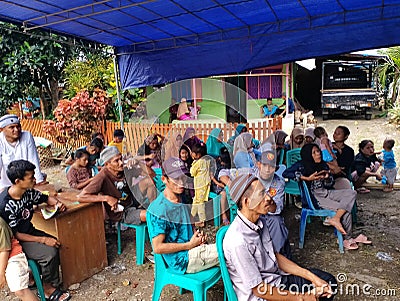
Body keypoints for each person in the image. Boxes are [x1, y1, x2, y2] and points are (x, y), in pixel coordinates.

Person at [223, 173, 337, 301]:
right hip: (263, 295)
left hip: (277, 280)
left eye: (265, 192)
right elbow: (259, 289)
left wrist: (311, 276)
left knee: (327, 283)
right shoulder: (238, 241)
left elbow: (274, 255)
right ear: (246, 202)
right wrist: (302, 297)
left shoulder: (260, 221)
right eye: (261, 194)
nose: (268, 197)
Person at [0, 160, 71, 301]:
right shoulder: (5, 204)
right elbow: (16, 234)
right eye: (31, 177)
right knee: (49, 253)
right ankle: (46, 288)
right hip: (17, 240)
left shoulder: (27, 192)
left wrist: (57, 203)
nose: (35, 179)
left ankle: (36, 278)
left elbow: (45, 198)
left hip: (30, 231)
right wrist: (43, 240)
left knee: (57, 242)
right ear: (18, 181)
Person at [283, 144, 372, 250]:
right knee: (344, 209)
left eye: (318, 151)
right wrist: (306, 178)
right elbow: (286, 173)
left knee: (351, 193)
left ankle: (336, 219)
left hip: (326, 192)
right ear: (308, 155)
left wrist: (327, 178)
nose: (318, 154)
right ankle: (346, 238)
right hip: (315, 198)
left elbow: (330, 184)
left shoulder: (323, 165)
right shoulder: (301, 165)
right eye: (314, 152)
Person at [147, 157, 219, 274]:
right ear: (164, 179)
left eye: (183, 177)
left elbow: (188, 223)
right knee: (230, 252)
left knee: (233, 249)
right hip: (180, 260)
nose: (181, 182)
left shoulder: (183, 197)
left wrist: (197, 236)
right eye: (176, 178)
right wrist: (189, 245)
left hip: (192, 248)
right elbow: (157, 247)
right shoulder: (159, 210)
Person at [78, 147, 156, 225]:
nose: (121, 162)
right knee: (152, 216)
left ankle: (155, 208)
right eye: (116, 161)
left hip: (132, 200)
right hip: (121, 211)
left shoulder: (124, 168)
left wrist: (139, 163)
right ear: (107, 164)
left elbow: (153, 175)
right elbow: (81, 197)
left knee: (147, 182)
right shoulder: (102, 176)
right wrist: (106, 198)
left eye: (121, 158)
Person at [256, 150, 291, 259]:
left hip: (269, 215)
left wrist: (269, 201)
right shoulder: (249, 175)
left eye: (271, 166)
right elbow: (223, 172)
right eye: (264, 165)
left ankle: (276, 258)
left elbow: (277, 209)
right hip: (251, 214)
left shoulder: (279, 182)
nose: (267, 169)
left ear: (276, 168)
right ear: (258, 164)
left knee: (277, 222)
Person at [0, 114, 46, 190]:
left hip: (26, 182)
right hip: (5, 185)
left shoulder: (27, 136)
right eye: (12, 127)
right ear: (1, 130)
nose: (16, 130)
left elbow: (33, 159)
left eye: (18, 126)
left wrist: (39, 181)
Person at [0, 217, 39, 301]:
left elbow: (5, 250)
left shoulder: (1, 224)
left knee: (20, 290)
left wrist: (1, 274)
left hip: (11, 256)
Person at [190, 143, 212, 227]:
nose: (191, 154)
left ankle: (202, 220)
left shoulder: (198, 163)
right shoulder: (206, 161)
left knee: (200, 202)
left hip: (200, 185)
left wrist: (193, 163)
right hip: (204, 184)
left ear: (198, 155)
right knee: (196, 200)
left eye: (193, 153)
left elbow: (192, 173)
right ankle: (192, 216)